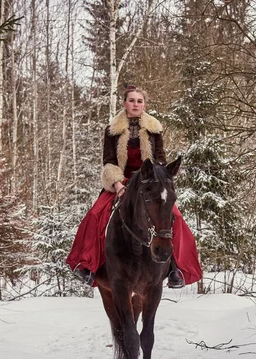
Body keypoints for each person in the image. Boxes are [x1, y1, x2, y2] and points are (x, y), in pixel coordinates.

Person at [66, 85, 202, 288]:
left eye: (139, 101)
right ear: (124, 103)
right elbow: (109, 160)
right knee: (95, 214)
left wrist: (158, 179)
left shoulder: (154, 129)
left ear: (144, 104)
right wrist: (118, 184)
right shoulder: (112, 130)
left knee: (176, 217)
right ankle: (88, 266)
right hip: (121, 181)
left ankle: (176, 268)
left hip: (149, 182)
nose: (136, 104)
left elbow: (160, 159)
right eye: (132, 100)